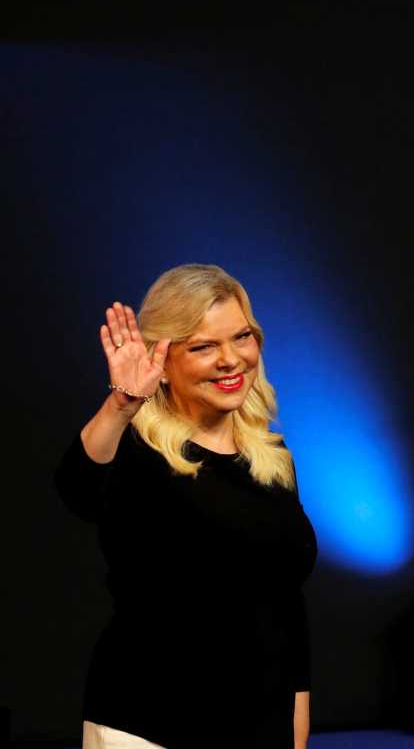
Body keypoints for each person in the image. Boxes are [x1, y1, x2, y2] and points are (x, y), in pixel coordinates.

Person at [55, 265, 317, 749]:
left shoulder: (271, 456)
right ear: (163, 358)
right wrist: (122, 403)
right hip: (151, 722)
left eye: (241, 337)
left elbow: (286, 607)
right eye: (202, 346)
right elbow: (77, 488)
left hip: (257, 725)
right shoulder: (137, 449)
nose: (230, 359)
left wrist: (297, 731)